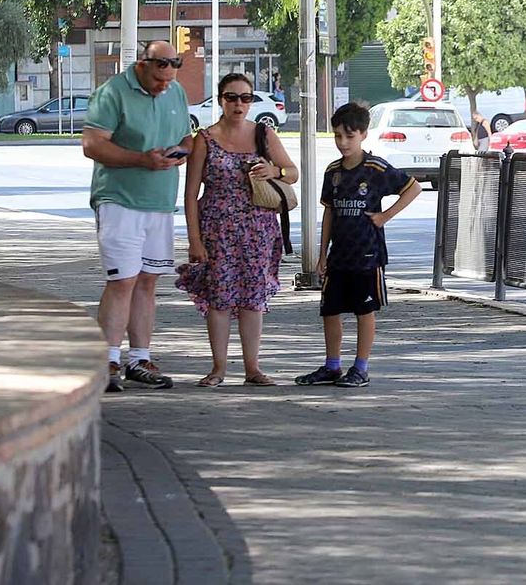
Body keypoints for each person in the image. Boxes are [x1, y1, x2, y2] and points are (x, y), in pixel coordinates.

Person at [81, 40, 194, 393]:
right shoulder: (112, 92)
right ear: (143, 66)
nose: (165, 86)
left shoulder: (175, 92)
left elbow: (187, 139)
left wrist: (180, 152)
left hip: (159, 203)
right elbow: (92, 144)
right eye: (159, 79)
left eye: (170, 79)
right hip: (120, 200)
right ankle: (108, 360)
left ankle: (140, 359)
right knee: (122, 280)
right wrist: (142, 159)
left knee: (147, 281)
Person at [180, 72, 298, 386]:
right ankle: (218, 368)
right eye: (232, 97)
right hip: (217, 230)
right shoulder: (204, 139)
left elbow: (293, 173)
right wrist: (194, 239)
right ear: (220, 100)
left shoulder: (264, 134)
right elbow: (191, 194)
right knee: (220, 297)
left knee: (253, 297)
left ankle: (253, 368)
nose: (239, 104)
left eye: (246, 98)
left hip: (259, 229)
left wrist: (274, 169)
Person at [295, 101, 421, 388]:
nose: (343, 142)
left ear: (363, 134)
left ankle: (361, 367)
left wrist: (384, 216)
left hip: (367, 253)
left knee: (365, 310)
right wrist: (321, 252)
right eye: (338, 135)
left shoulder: (375, 168)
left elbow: (412, 187)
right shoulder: (333, 171)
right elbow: (329, 210)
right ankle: (332, 365)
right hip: (338, 254)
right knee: (330, 309)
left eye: (349, 136)